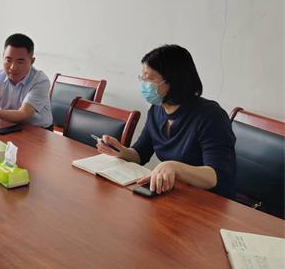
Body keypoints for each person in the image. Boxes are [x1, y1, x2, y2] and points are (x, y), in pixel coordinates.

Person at [97, 45, 236, 198]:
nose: (144, 84)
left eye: (149, 79)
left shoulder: (211, 116)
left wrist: (174, 167)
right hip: (176, 193)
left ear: (174, 81)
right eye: (142, 78)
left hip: (210, 200)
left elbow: (216, 176)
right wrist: (120, 151)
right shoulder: (156, 110)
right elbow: (140, 154)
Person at [0, 33, 53, 129]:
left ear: (32, 61)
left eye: (20, 62)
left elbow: (23, 115)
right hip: (9, 125)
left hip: (38, 130)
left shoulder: (40, 81)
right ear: (3, 56)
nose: (13, 67)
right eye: (8, 60)